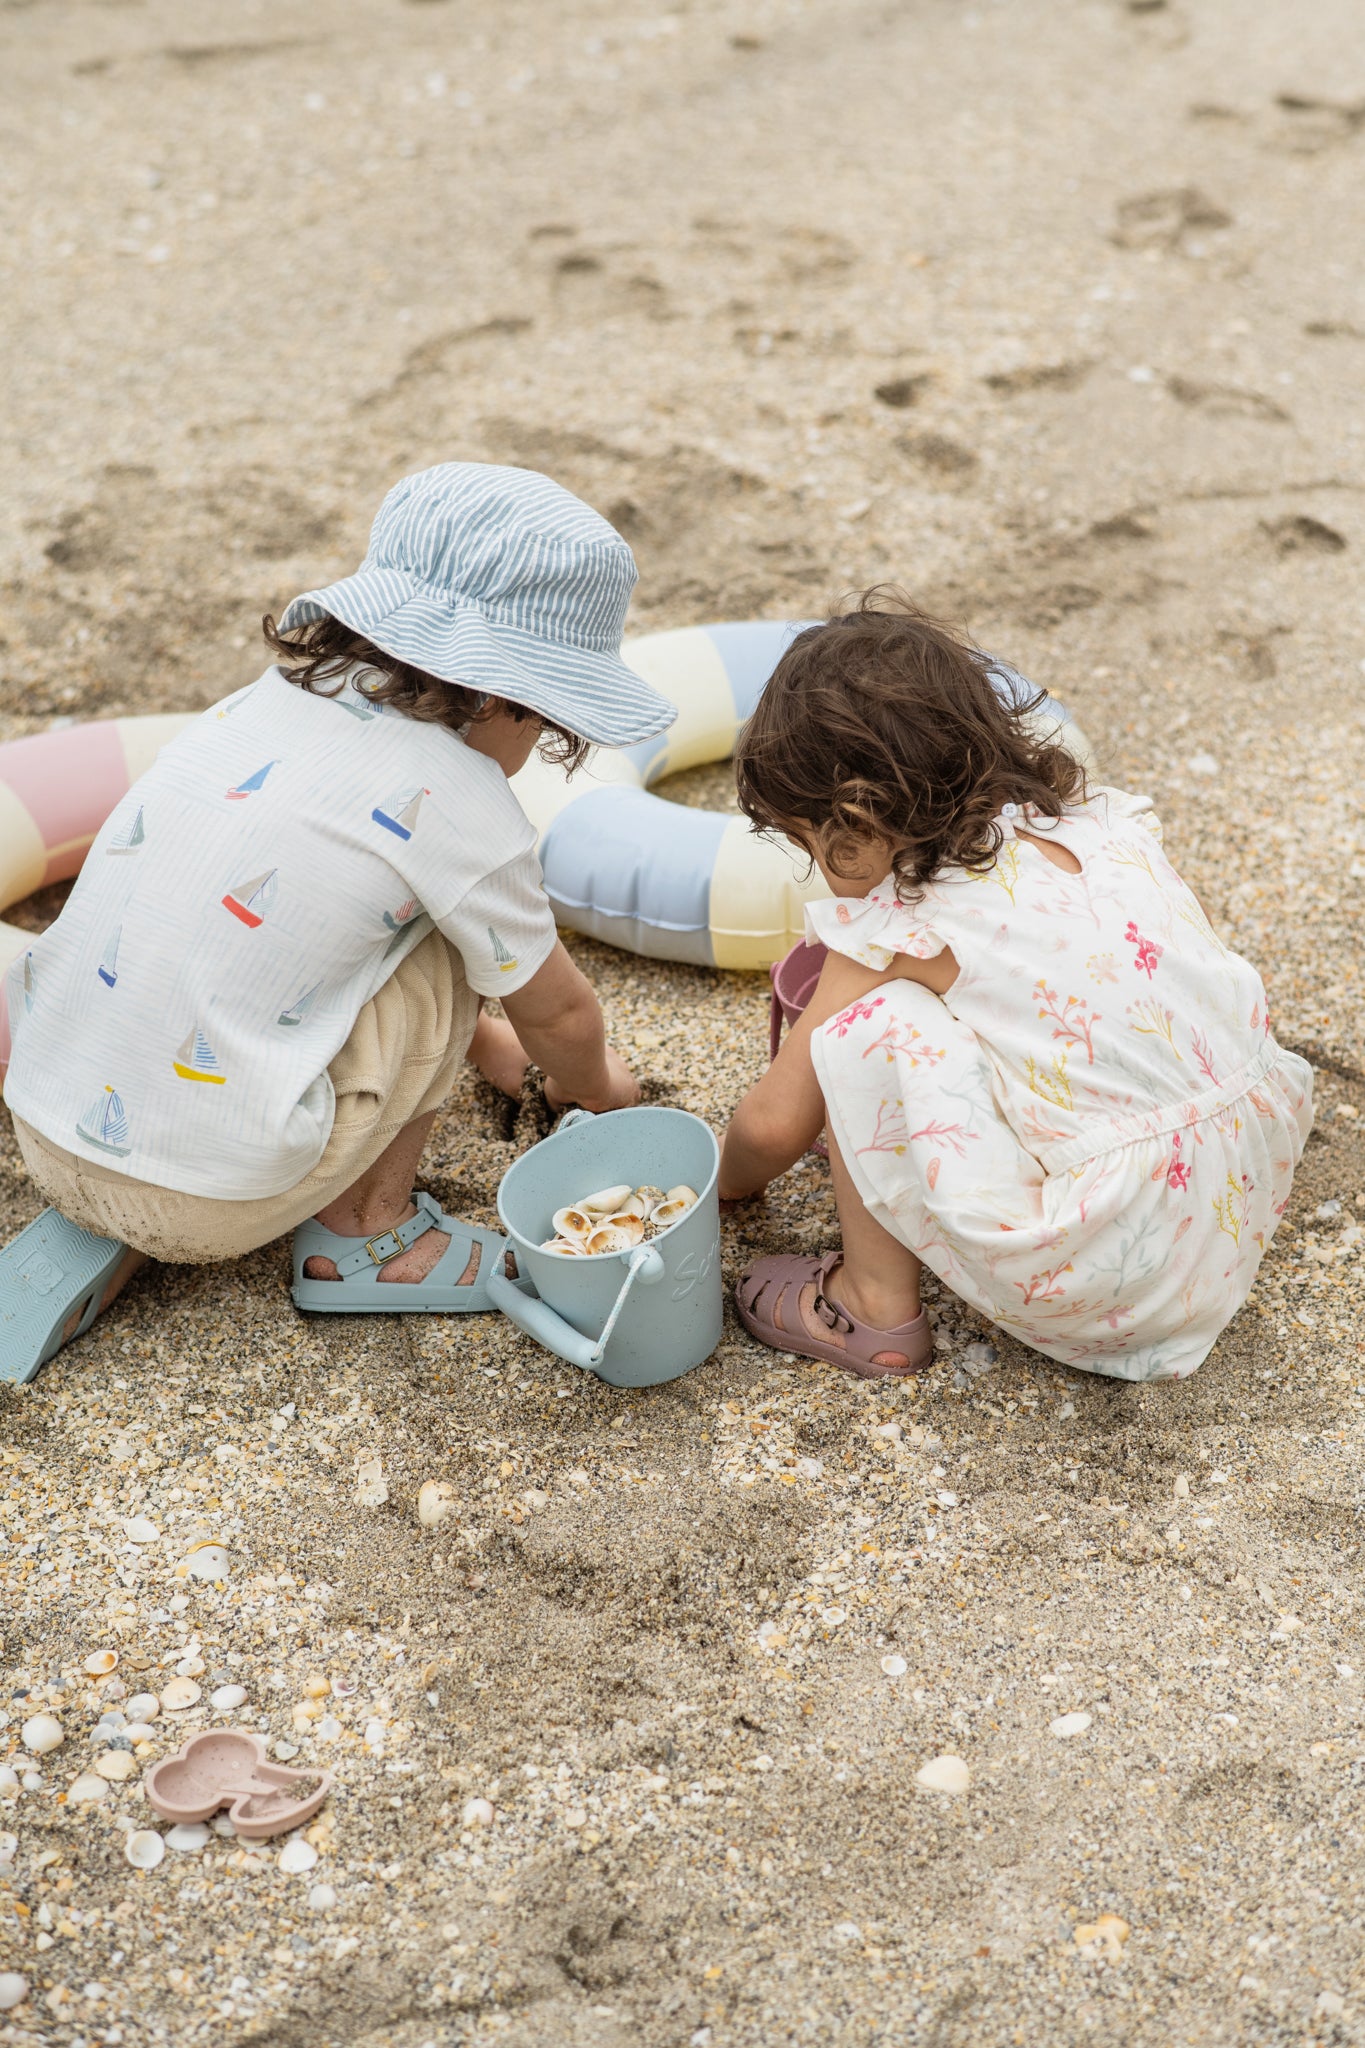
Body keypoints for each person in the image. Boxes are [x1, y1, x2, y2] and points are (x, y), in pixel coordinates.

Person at [0, 462, 672, 1383]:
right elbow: (561, 1015)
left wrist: (489, 1050)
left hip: (45, 1120)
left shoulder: (264, 700)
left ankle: (129, 1192)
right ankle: (367, 1237)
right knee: (449, 937)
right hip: (212, 1197)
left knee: (318, 914)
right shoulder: (463, 799)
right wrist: (597, 1097)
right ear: (505, 695)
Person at [720, 592, 1312, 1384]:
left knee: (865, 1026)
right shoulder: (1096, 825)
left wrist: (718, 1188)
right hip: (1238, 1194)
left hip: (1114, 1273)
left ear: (853, 821)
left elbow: (772, 1127)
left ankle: (870, 1304)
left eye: (807, 841)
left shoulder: (899, 922)